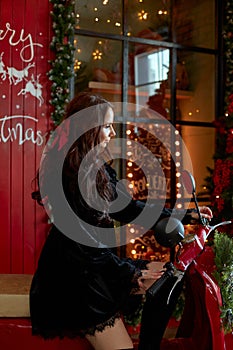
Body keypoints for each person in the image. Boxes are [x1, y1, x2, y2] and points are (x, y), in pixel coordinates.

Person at [30, 92, 213, 350]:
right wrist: (131, 272)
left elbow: (128, 208)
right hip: (73, 278)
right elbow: (85, 248)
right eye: (106, 127)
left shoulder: (98, 168)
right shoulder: (67, 174)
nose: (111, 134)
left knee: (167, 277)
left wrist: (185, 215)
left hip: (93, 265)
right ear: (88, 129)